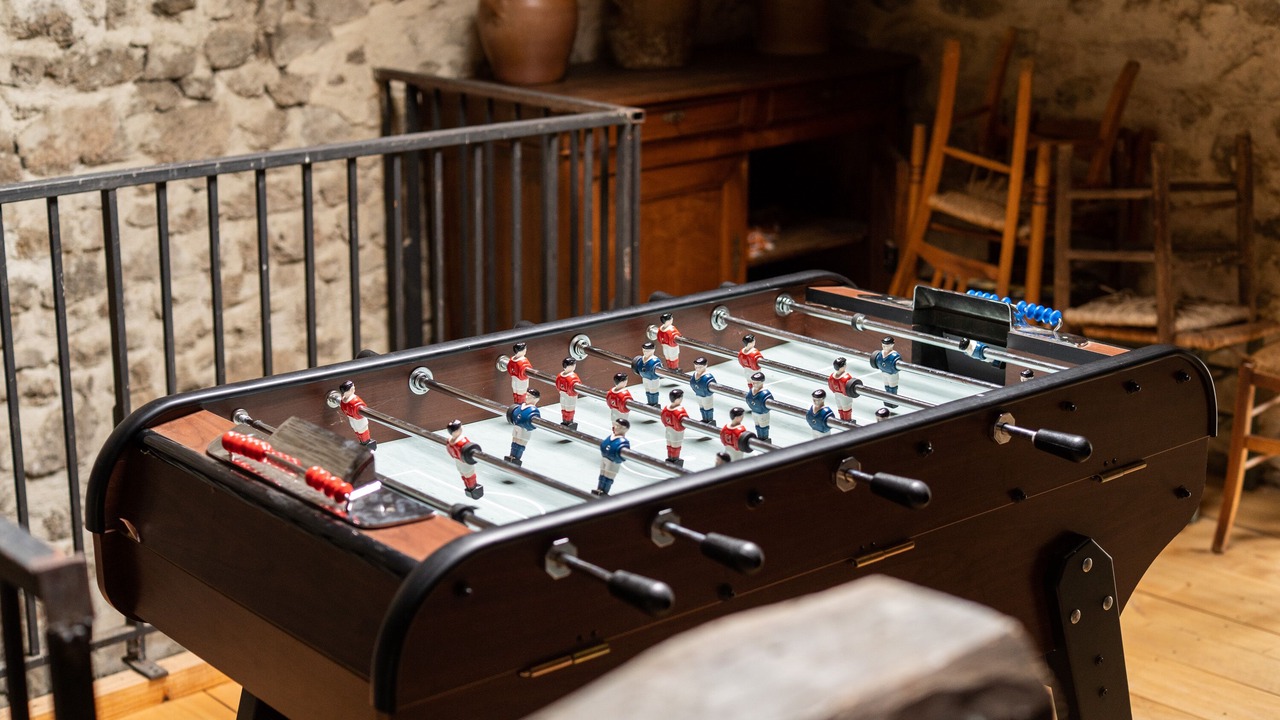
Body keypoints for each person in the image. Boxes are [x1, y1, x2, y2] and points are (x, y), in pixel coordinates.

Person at [445, 419, 483, 499]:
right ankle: (472, 487)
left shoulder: (449, 441)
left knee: (464, 475)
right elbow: (470, 447)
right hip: (464, 462)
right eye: (459, 428)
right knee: (470, 474)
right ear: (454, 432)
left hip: (458, 461)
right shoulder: (462, 441)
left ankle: (468, 487)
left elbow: (450, 452)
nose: (461, 428)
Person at [595, 417, 631, 496]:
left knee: (608, 476)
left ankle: (604, 491)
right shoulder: (611, 436)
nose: (616, 428)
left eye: (619, 426)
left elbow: (623, 455)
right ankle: (599, 489)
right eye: (616, 425)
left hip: (613, 461)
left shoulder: (623, 441)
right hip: (605, 458)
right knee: (602, 474)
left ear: (625, 429)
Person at [505, 388, 541, 466]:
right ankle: (511, 456)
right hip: (517, 426)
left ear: (535, 399)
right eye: (526, 395)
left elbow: (534, 424)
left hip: (525, 429)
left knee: (520, 443)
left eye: (529, 396)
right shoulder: (521, 406)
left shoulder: (533, 410)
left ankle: (516, 458)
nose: (526, 397)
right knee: (514, 441)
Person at [338, 380, 376, 449]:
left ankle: (365, 442)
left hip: (357, 419)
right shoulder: (348, 400)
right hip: (354, 419)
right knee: (358, 431)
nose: (354, 388)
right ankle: (363, 442)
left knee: (362, 431)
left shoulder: (352, 400)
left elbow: (362, 407)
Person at [660, 388, 690, 466]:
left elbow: (663, 418)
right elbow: (682, 423)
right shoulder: (679, 410)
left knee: (669, 445)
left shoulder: (666, 408)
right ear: (677, 399)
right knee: (676, 446)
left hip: (668, 429)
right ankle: (675, 459)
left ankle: (670, 457)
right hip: (676, 432)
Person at [869, 336, 901, 407]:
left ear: (892, 345)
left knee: (892, 387)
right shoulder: (881, 353)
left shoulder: (895, 355)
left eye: (886, 345)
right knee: (886, 386)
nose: (884, 347)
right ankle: (887, 399)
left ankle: (893, 401)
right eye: (883, 345)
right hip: (884, 373)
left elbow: (898, 366)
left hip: (892, 374)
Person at [632, 341, 663, 406]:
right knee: (647, 390)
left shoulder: (655, 360)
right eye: (644, 351)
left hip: (652, 379)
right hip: (645, 377)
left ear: (653, 350)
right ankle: (650, 402)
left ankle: (654, 403)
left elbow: (660, 371)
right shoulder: (642, 359)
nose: (645, 352)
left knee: (653, 391)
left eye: (647, 351)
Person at [744, 371, 773, 441]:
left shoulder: (765, 393)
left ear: (761, 382)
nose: (753, 384)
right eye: (753, 382)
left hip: (762, 413)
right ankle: (759, 437)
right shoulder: (752, 390)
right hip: (754, 412)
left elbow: (769, 406)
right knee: (757, 425)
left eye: (756, 382)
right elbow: (748, 399)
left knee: (763, 426)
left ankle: (764, 438)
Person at [689, 356, 717, 424]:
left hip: (706, 396)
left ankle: (709, 420)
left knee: (707, 408)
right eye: (696, 367)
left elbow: (714, 387)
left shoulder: (708, 376)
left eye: (700, 367)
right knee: (701, 407)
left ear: (705, 366)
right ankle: (704, 419)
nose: (698, 369)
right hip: (698, 394)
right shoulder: (694, 374)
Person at [556, 357, 581, 429]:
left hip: (563, 394)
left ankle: (565, 421)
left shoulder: (560, 375)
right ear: (570, 366)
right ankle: (569, 422)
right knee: (568, 410)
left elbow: (557, 385)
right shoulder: (573, 377)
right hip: (569, 396)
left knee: (564, 409)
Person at [827, 357, 856, 422]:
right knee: (846, 408)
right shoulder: (846, 377)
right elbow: (850, 386)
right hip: (844, 396)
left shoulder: (832, 376)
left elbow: (831, 386)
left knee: (840, 408)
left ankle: (842, 420)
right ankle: (847, 421)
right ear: (842, 367)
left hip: (837, 395)